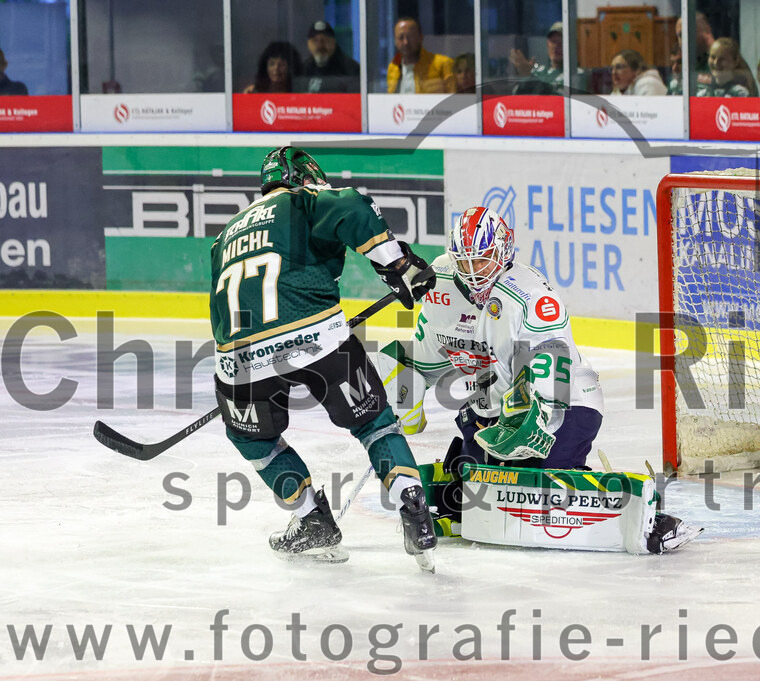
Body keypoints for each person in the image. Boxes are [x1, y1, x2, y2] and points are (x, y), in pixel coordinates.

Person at [373, 207, 698, 555]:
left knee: (544, 489)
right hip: (494, 407)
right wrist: (400, 397)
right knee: (479, 493)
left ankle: (640, 514)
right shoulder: (440, 287)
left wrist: (519, 434)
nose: (473, 273)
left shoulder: (532, 299)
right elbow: (423, 362)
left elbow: (548, 380)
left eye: (481, 261)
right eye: (464, 263)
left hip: (567, 403)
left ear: (503, 251)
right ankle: (465, 479)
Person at [209, 147, 438, 568]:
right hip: (319, 339)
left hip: (239, 357)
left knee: (251, 437)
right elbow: (352, 204)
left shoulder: (224, 236)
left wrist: (231, 382)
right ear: (305, 175)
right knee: (373, 424)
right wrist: (398, 266)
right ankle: (412, 502)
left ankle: (311, 519)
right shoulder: (300, 200)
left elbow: (222, 309)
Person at [386, 17, 455, 94]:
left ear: (421, 38)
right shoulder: (393, 68)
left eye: (410, 37)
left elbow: (454, 101)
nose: (406, 42)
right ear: (395, 41)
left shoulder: (443, 64)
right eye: (401, 37)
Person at [299, 20, 360, 94]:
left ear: (333, 42)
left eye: (325, 40)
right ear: (308, 45)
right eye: (315, 41)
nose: (320, 45)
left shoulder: (350, 69)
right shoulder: (303, 69)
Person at [509, 21, 569, 94]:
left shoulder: (577, 75)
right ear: (547, 45)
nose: (556, 46)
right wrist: (525, 78)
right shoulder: (539, 72)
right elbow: (518, 97)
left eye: (561, 42)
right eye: (553, 41)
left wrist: (529, 76)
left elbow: (561, 100)